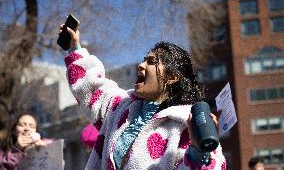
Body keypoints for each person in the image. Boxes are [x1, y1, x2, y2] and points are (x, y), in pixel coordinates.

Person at [60, 25, 227, 169]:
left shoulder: (187, 125)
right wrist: (74, 48)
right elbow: (91, 88)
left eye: (151, 62)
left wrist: (198, 154)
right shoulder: (121, 106)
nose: (141, 65)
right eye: (143, 60)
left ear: (172, 77)